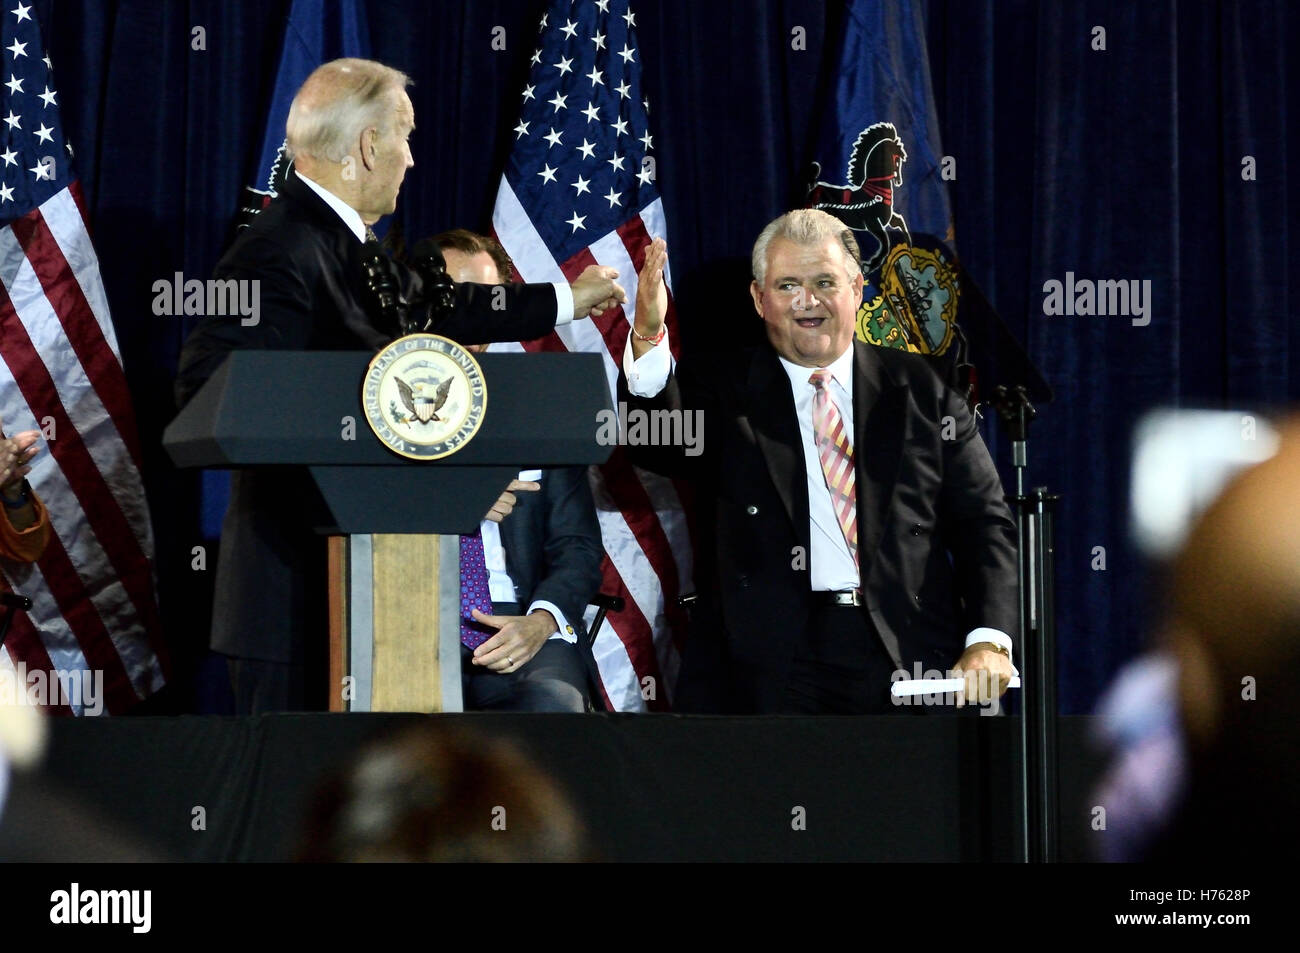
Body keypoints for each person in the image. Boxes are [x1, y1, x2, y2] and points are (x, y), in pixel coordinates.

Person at [173, 59, 625, 713]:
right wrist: (423, 480)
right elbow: (205, 391)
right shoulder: (278, 248)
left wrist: (566, 299)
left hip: (371, 602)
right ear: (367, 145)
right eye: (405, 137)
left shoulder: (351, 248)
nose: (412, 160)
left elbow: (446, 306)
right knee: (293, 808)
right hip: (297, 602)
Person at [619, 210, 1019, 714]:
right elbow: (655, 445)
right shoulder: (723, 389)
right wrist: (650, 342)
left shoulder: (923, 390)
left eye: (824, 281)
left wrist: (989, 640)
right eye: (787, 285)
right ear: (759, 300)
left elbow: (984, 523)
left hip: (908, 653)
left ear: (856, 288)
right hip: (767, 663)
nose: (808, 301)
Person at [430, 229, 604, 712]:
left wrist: (542, 621)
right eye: (453, 300)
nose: (467, 320)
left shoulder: (538, 408)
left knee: (551, 709)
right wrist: (455, 504)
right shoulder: (375, 405)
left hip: (519, 621)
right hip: (412, 618)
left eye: (484, 303)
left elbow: (578, 545)